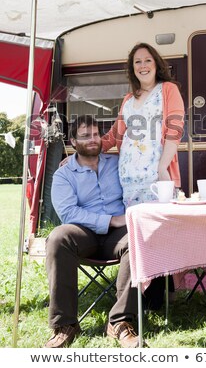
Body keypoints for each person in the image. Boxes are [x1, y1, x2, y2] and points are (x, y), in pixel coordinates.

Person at [101, 42, 185, 308]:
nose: (143, 65)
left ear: (156, 64)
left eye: (147, 60)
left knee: (158, 233)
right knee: (137, 235)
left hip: (157, 178)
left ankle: (157, 298)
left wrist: (162, 168)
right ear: (132, 68)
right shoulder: (128, 100)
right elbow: (114, 137)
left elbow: (174, 129)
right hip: (129, 180)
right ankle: (137, 294)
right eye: (137, 62)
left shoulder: (168, 90)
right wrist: (84, 147)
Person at [44, 115, 139, 349]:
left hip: (118, 235)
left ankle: (121, 322)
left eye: (96, 134)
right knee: (58, 237)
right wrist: (109, 220)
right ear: (73, 142)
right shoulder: (64, 175)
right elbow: (68, 213)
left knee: (138, 238)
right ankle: (65, 324)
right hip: (83, 233)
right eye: (85, 136)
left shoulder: (117, 163)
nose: (92, 140)